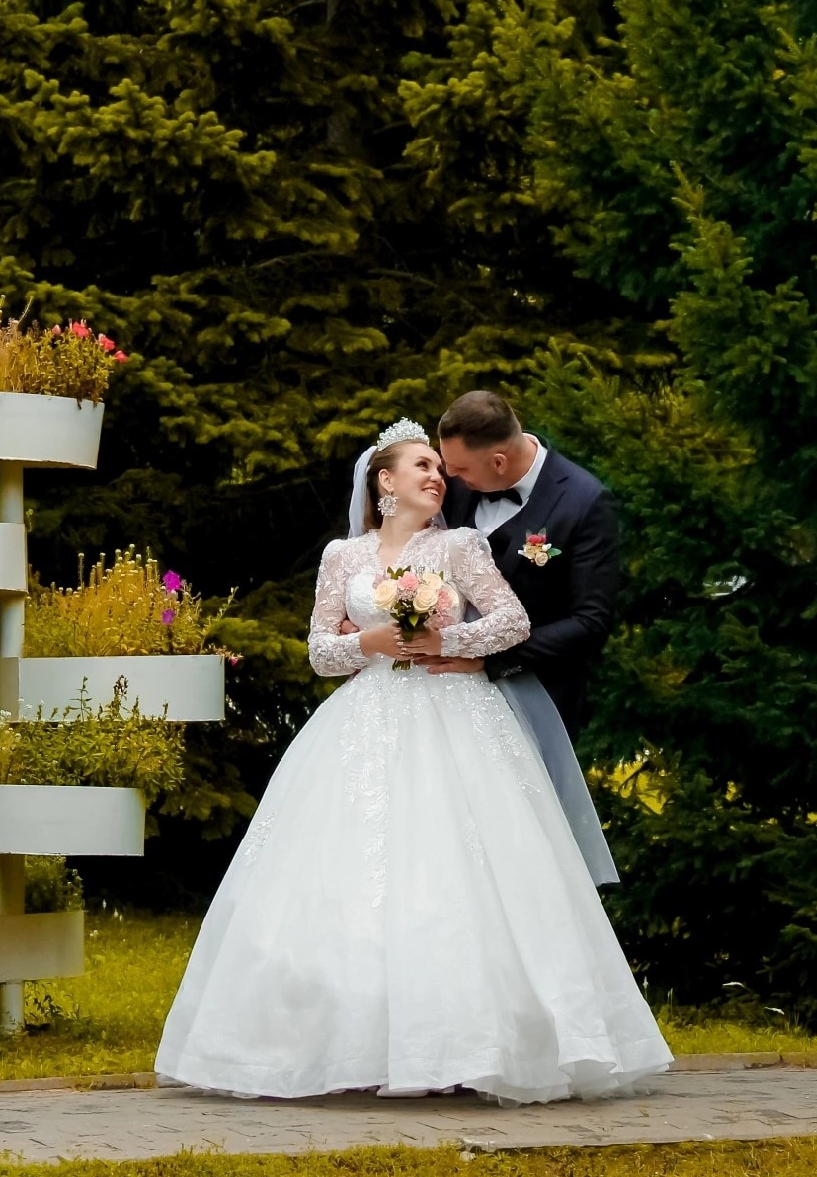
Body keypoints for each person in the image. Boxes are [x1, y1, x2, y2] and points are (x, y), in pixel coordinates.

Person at [153, 420, 671, 1103]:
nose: (436, 477)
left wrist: (448, 640)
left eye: (440, 468)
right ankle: (353, 1045)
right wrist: (375, 638)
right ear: (384, 482)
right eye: (421, 466)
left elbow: (513, 621)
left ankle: (471, 1047)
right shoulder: (343, 555)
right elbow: (318, 652)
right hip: (366, 720)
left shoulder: (461, 545)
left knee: (463, 873)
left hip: (457, 712)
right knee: (356, 878)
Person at [430, 390, 623, 885]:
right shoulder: (453, 485)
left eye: (459, 470)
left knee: (522, 853)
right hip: (439, 698)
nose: (446, 478)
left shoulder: (584, 502)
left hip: (534, 699)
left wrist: (489, 659)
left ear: (499, 459)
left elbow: (590, 621)